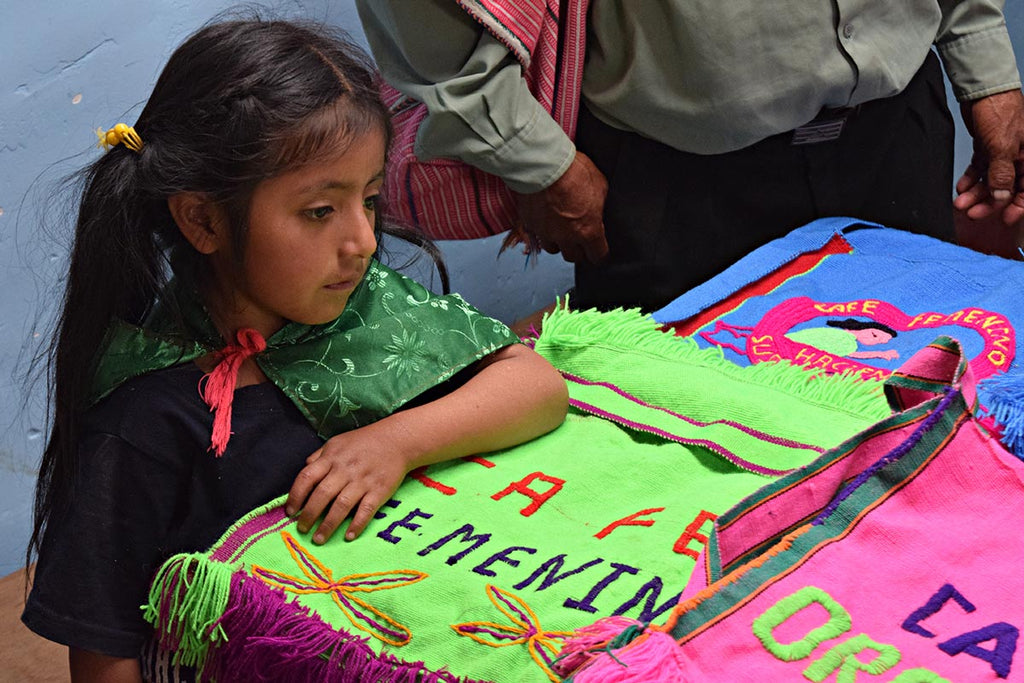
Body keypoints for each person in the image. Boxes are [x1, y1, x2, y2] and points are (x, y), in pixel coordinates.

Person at [20, 17, 568, 682]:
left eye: (368, 200)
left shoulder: (365, 308)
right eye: (320, 211)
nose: (363, 241)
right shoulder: (145, 419)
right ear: (204, 220)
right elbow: (104, 655)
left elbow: (535, 385)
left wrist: (395, 442)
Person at [355, 1, 1024, 313]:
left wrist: (984, 59)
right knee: (690, 459)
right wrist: (531, 155)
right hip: (671, 172)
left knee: (915, 419)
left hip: (896, 127)